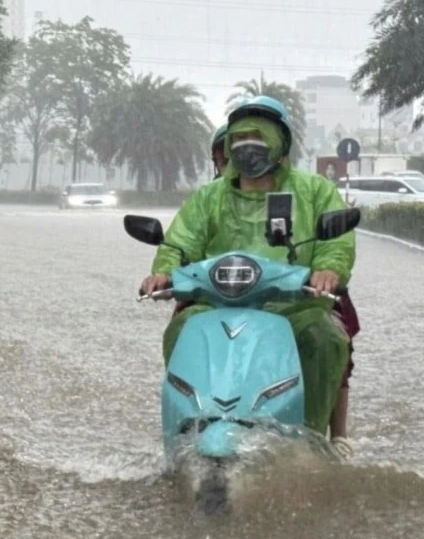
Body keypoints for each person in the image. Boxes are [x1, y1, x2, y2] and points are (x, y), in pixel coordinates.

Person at [140, 95, 355, 453]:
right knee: (180, 328)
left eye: (258, 138)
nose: (247, 148)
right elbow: (180, 242)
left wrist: (328, 270)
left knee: (324, 339)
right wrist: (163, 272)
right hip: (216, 304)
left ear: (281, 146)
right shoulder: (209, 197)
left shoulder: (315, 191)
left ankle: (314, 441)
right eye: (239, 139)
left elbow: (336, 244)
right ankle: (182, 434)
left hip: (294, 307)